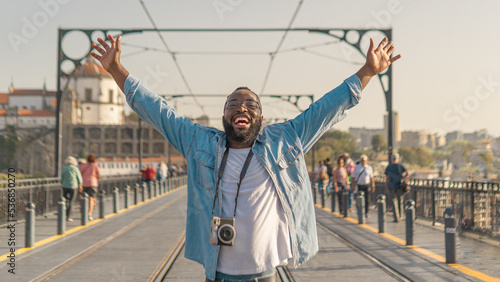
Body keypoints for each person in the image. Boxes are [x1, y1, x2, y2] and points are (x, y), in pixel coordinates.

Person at [91, 34, 400, 281]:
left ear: (261, 116)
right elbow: (158, 111)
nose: (241, 107)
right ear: (224, 114)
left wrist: (367, 72)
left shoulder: (286, 139)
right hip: (218, 273)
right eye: (233, 103)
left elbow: (326, 109)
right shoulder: (199, 142)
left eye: (250, 103)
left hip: (266, 273)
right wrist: (116, 69)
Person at [384, 153, 409, 222]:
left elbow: (387, 177)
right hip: (400, 185)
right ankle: (401, 216)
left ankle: (396, 217)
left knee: (394, 201)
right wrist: (405, 178)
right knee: (400, 201)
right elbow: (407, 172)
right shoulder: (400, 165)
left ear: (392, 159)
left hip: (391, 186)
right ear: (398, 159)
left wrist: (386, 186)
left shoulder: (389, 166)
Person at [60, 156, 83, 222]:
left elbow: (62, 177)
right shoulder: (75, 168)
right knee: (71, 201)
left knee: (64, 200)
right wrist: (80, 186)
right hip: (73, 186)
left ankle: (63, 213)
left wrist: (62, 183)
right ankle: (68, 216)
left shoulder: (64, 168)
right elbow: (79, 178)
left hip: (65, 186)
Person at [80, 153, 101, 221]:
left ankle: (84, 212)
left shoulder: (83, 165)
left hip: (84, 183)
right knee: (91, 199)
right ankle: (89, 214)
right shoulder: (95, 166)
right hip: (93, 183)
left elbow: (80, 174)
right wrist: (95, 178)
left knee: (84, 198)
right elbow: (99, 175)